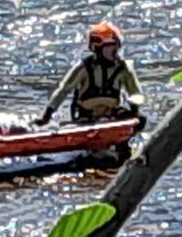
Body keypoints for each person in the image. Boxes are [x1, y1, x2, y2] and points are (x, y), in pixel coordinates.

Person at [35, 21, 145, 161]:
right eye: (110, 48)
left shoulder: (124, 68)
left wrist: (134, 109)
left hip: (112, 115)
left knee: (141, 120)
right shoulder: (83, 68)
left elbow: (135, 92)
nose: (114, 52)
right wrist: (47, 115)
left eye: (116, 47)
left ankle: (121, 148)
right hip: (87, 116)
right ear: (97, 48)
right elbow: (63, 90)